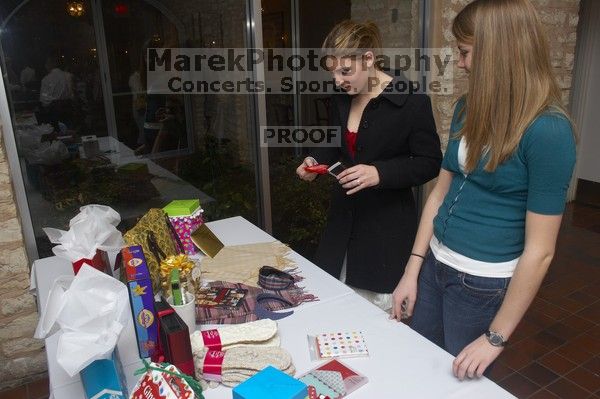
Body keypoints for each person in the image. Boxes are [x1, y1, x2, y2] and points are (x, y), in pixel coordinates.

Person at [390, 0, 577, 380]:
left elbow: (540, 251)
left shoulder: (548, 131)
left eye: (464, 52)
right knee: (419, 366)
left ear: (497, 52)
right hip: (435, 266)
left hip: (481, 284)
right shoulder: (467, 107)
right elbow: (439, 194)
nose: (460, 63)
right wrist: (413, 268)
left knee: (460, 382)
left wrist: (495, 337)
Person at [296, 20, 442, 310]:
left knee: (377, 327)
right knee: (334, 311)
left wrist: (380, 173)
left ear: (369, 58)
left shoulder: (412, 102)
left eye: (345, 71)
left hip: (384, 235)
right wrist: (315, 159)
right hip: (341, 227)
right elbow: (336, 139)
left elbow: (430, 163)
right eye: (333, 72)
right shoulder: (342, 96)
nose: (338, 80)